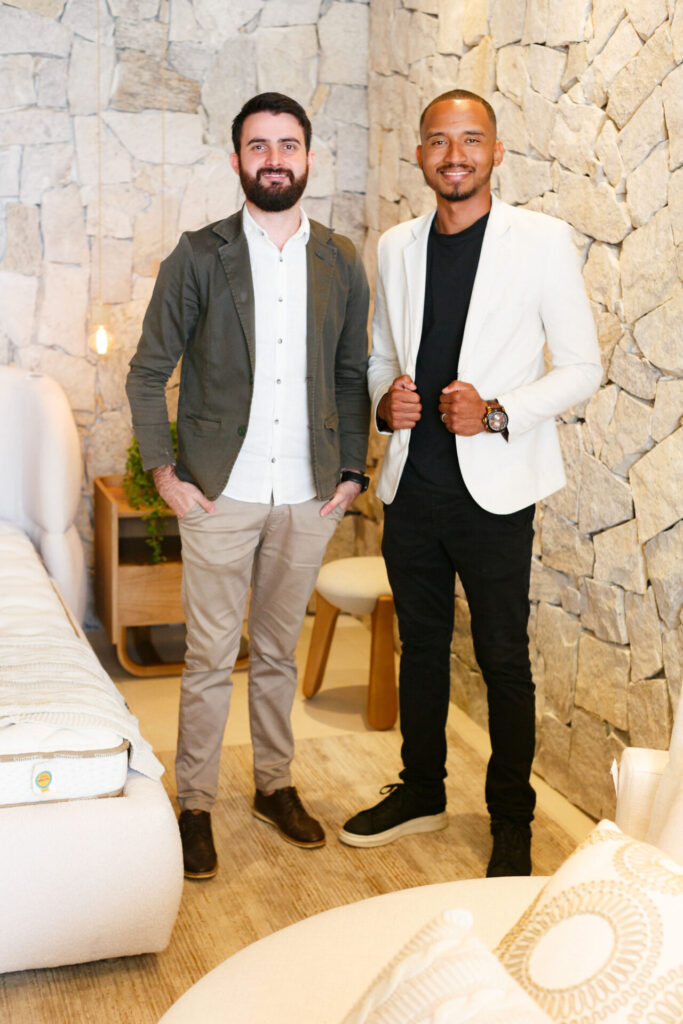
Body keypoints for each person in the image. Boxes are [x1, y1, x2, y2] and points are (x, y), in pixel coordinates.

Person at [339, 89, 602, 876]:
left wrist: (494, 414)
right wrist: (384, 401)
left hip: (495, 494)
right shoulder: (395, 246)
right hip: (412, 486)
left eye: (470, 139)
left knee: (501, 657)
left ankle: (511, 821)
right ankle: (421, 789)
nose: (454, 154)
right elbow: (381, 354)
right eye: (439, 140)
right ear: (420, 154)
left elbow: (581, 367)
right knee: (420, 647)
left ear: (494, 151)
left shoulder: (540, 241)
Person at [127, 92, 370, 879]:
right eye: (258, 146)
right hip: (219, 491)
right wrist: (164, 474)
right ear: (236, 160)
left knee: (275, 652)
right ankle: (195, 804)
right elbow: (147, 371)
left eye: (287, 145)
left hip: (308, 495)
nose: (274, 159)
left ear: (308, 157)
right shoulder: (199, 255)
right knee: (208, 657)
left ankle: (274, 786)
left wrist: (351, 471)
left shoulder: (340, 259)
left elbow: (349, 374)